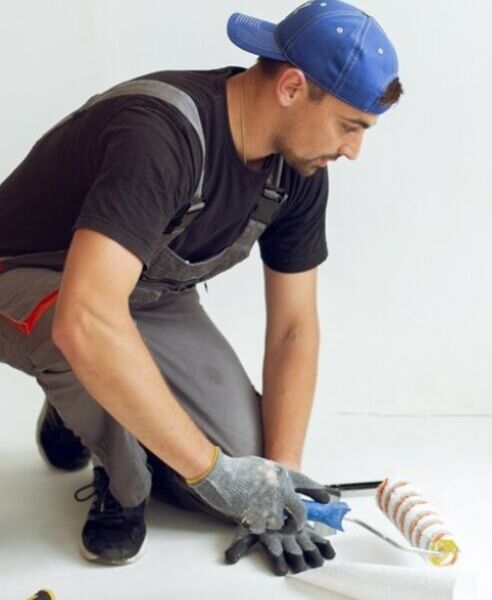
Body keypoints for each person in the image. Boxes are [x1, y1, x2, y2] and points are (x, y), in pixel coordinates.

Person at [0, 0, 402, 575]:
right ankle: (121, 475)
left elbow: (293, 328)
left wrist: (277, 475)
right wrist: (211, 473)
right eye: (350, 126)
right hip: (25, 278)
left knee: (243, 460)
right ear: (292, 87)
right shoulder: (162, 136)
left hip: (142, 293)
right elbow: (85, 317)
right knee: (87, 341)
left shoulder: (299, 170)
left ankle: (87, 404)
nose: (353, 151)